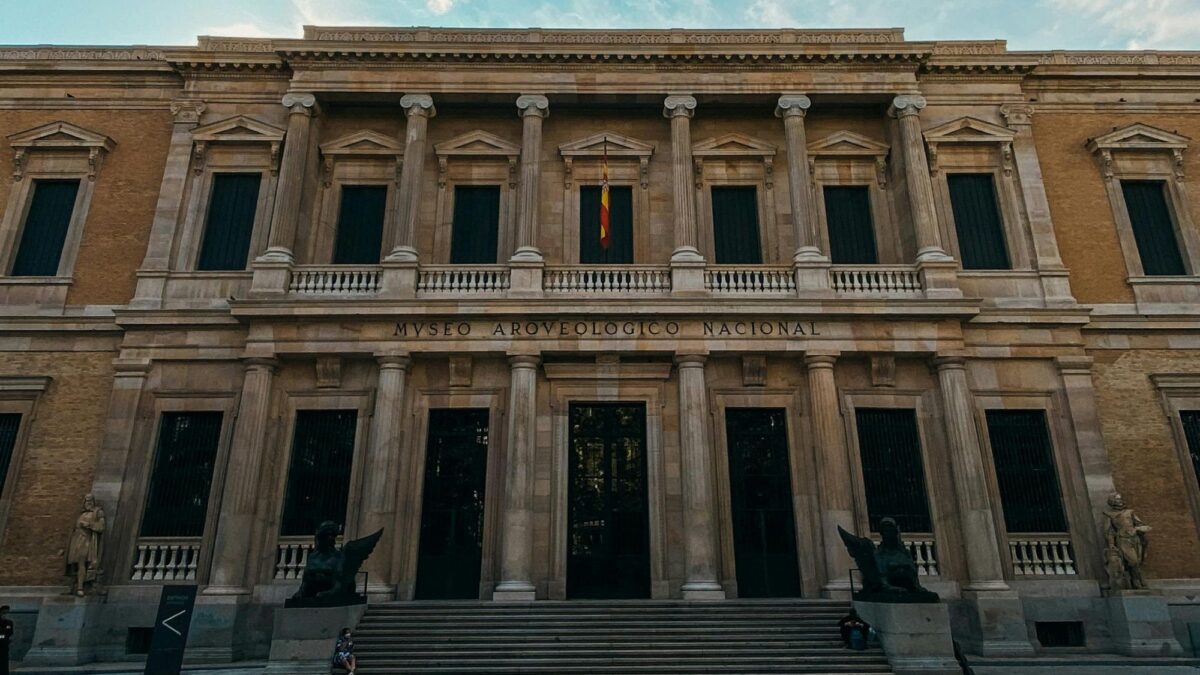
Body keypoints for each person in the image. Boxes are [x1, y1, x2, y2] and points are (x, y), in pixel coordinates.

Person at [0, 605, 13, 675]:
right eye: (4, 613)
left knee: (4, 661)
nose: (6, 615)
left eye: (7, 613)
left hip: (4, 645)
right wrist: (3, 636)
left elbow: (10, 632)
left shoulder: (9, 622)